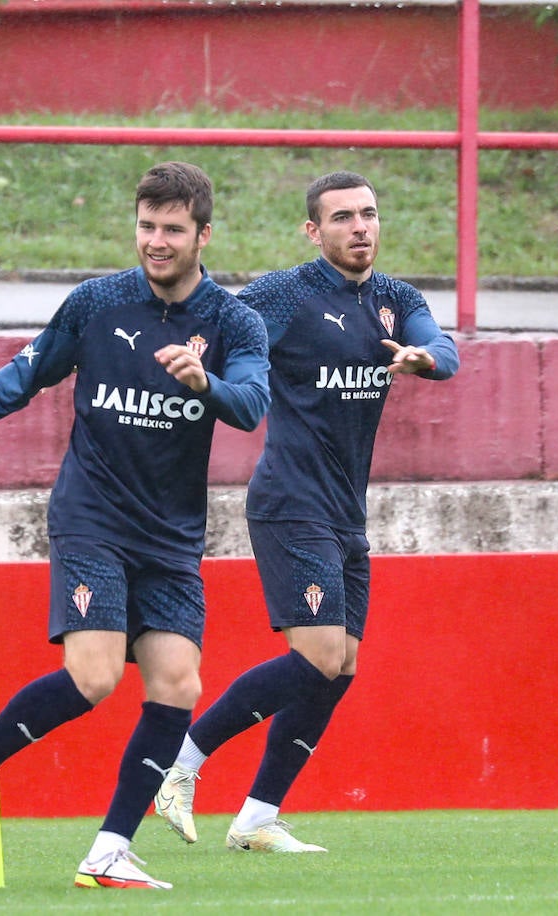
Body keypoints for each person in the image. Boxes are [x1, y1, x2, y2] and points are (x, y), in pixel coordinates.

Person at [0, 161, 269, 890]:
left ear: (203, 235)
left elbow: (250, 404)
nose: (156, 240)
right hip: (92, 517)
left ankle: (110, 849)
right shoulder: (97, 304)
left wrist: (202, 382)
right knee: (92, 676)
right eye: (146, 226)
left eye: (172, 229)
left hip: (171, 535)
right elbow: (19, 378)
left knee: (177, 685)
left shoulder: (234, 321)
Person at [153, 170, 459, 853]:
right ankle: (181, 764)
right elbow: (215, 327)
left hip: (347, 513)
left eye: (369, 214)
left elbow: (445, 348)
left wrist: (422, 357)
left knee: (342, 666)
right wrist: (195, 364)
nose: (360, 227)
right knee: (319, 656)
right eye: (343, 217)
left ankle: (257, 817)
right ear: (313, 230)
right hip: (291, 504)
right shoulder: (285, 295)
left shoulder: (395, 300)